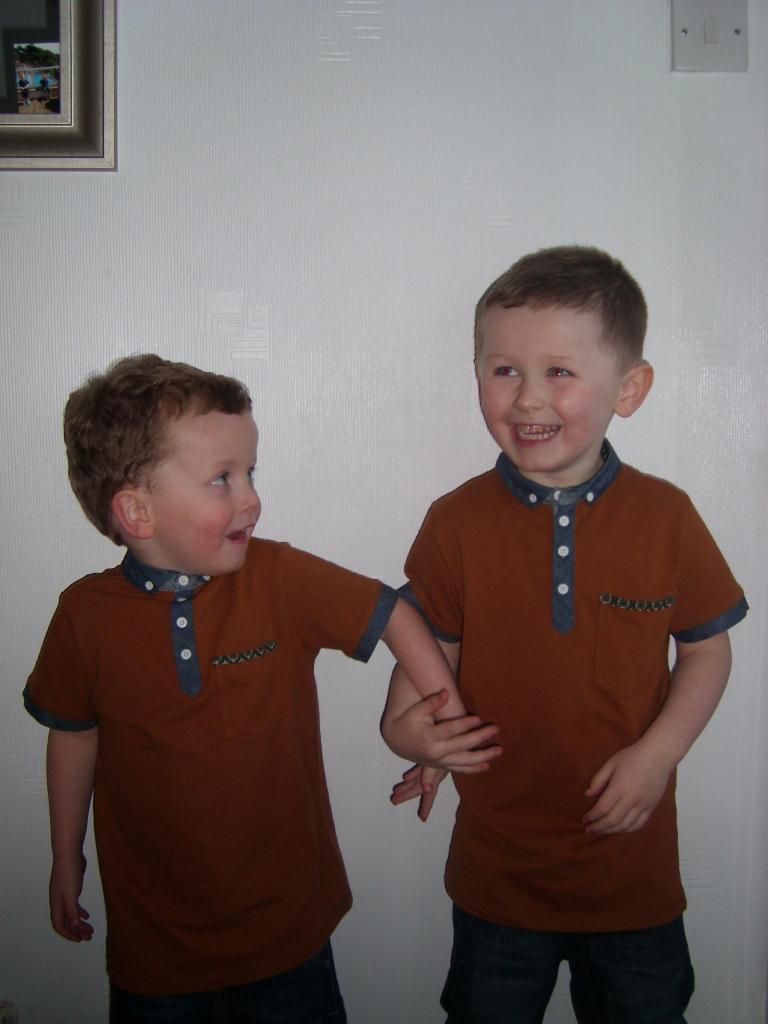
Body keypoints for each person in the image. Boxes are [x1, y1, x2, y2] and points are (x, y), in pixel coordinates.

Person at [24, 354, 500, 1023]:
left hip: (289, 940)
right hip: (156, 956)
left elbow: (395, 614)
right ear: (136, 510)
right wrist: (64, 854)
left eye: (251, 473)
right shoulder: (85, 616)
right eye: (222, 478)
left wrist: (442, 728)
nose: (250, 498)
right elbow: (73, 737)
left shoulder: (276, 577)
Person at [382, 246, 748, 1023]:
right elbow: (429, 643)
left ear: (629, 388)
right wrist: (408, 726)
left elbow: (707, 649)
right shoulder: (455, 521)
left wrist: (659, 754)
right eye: (503, 369)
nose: (526, 397)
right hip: (498, 877)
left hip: (632, 873)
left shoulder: (667, 517)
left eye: (559, 372)